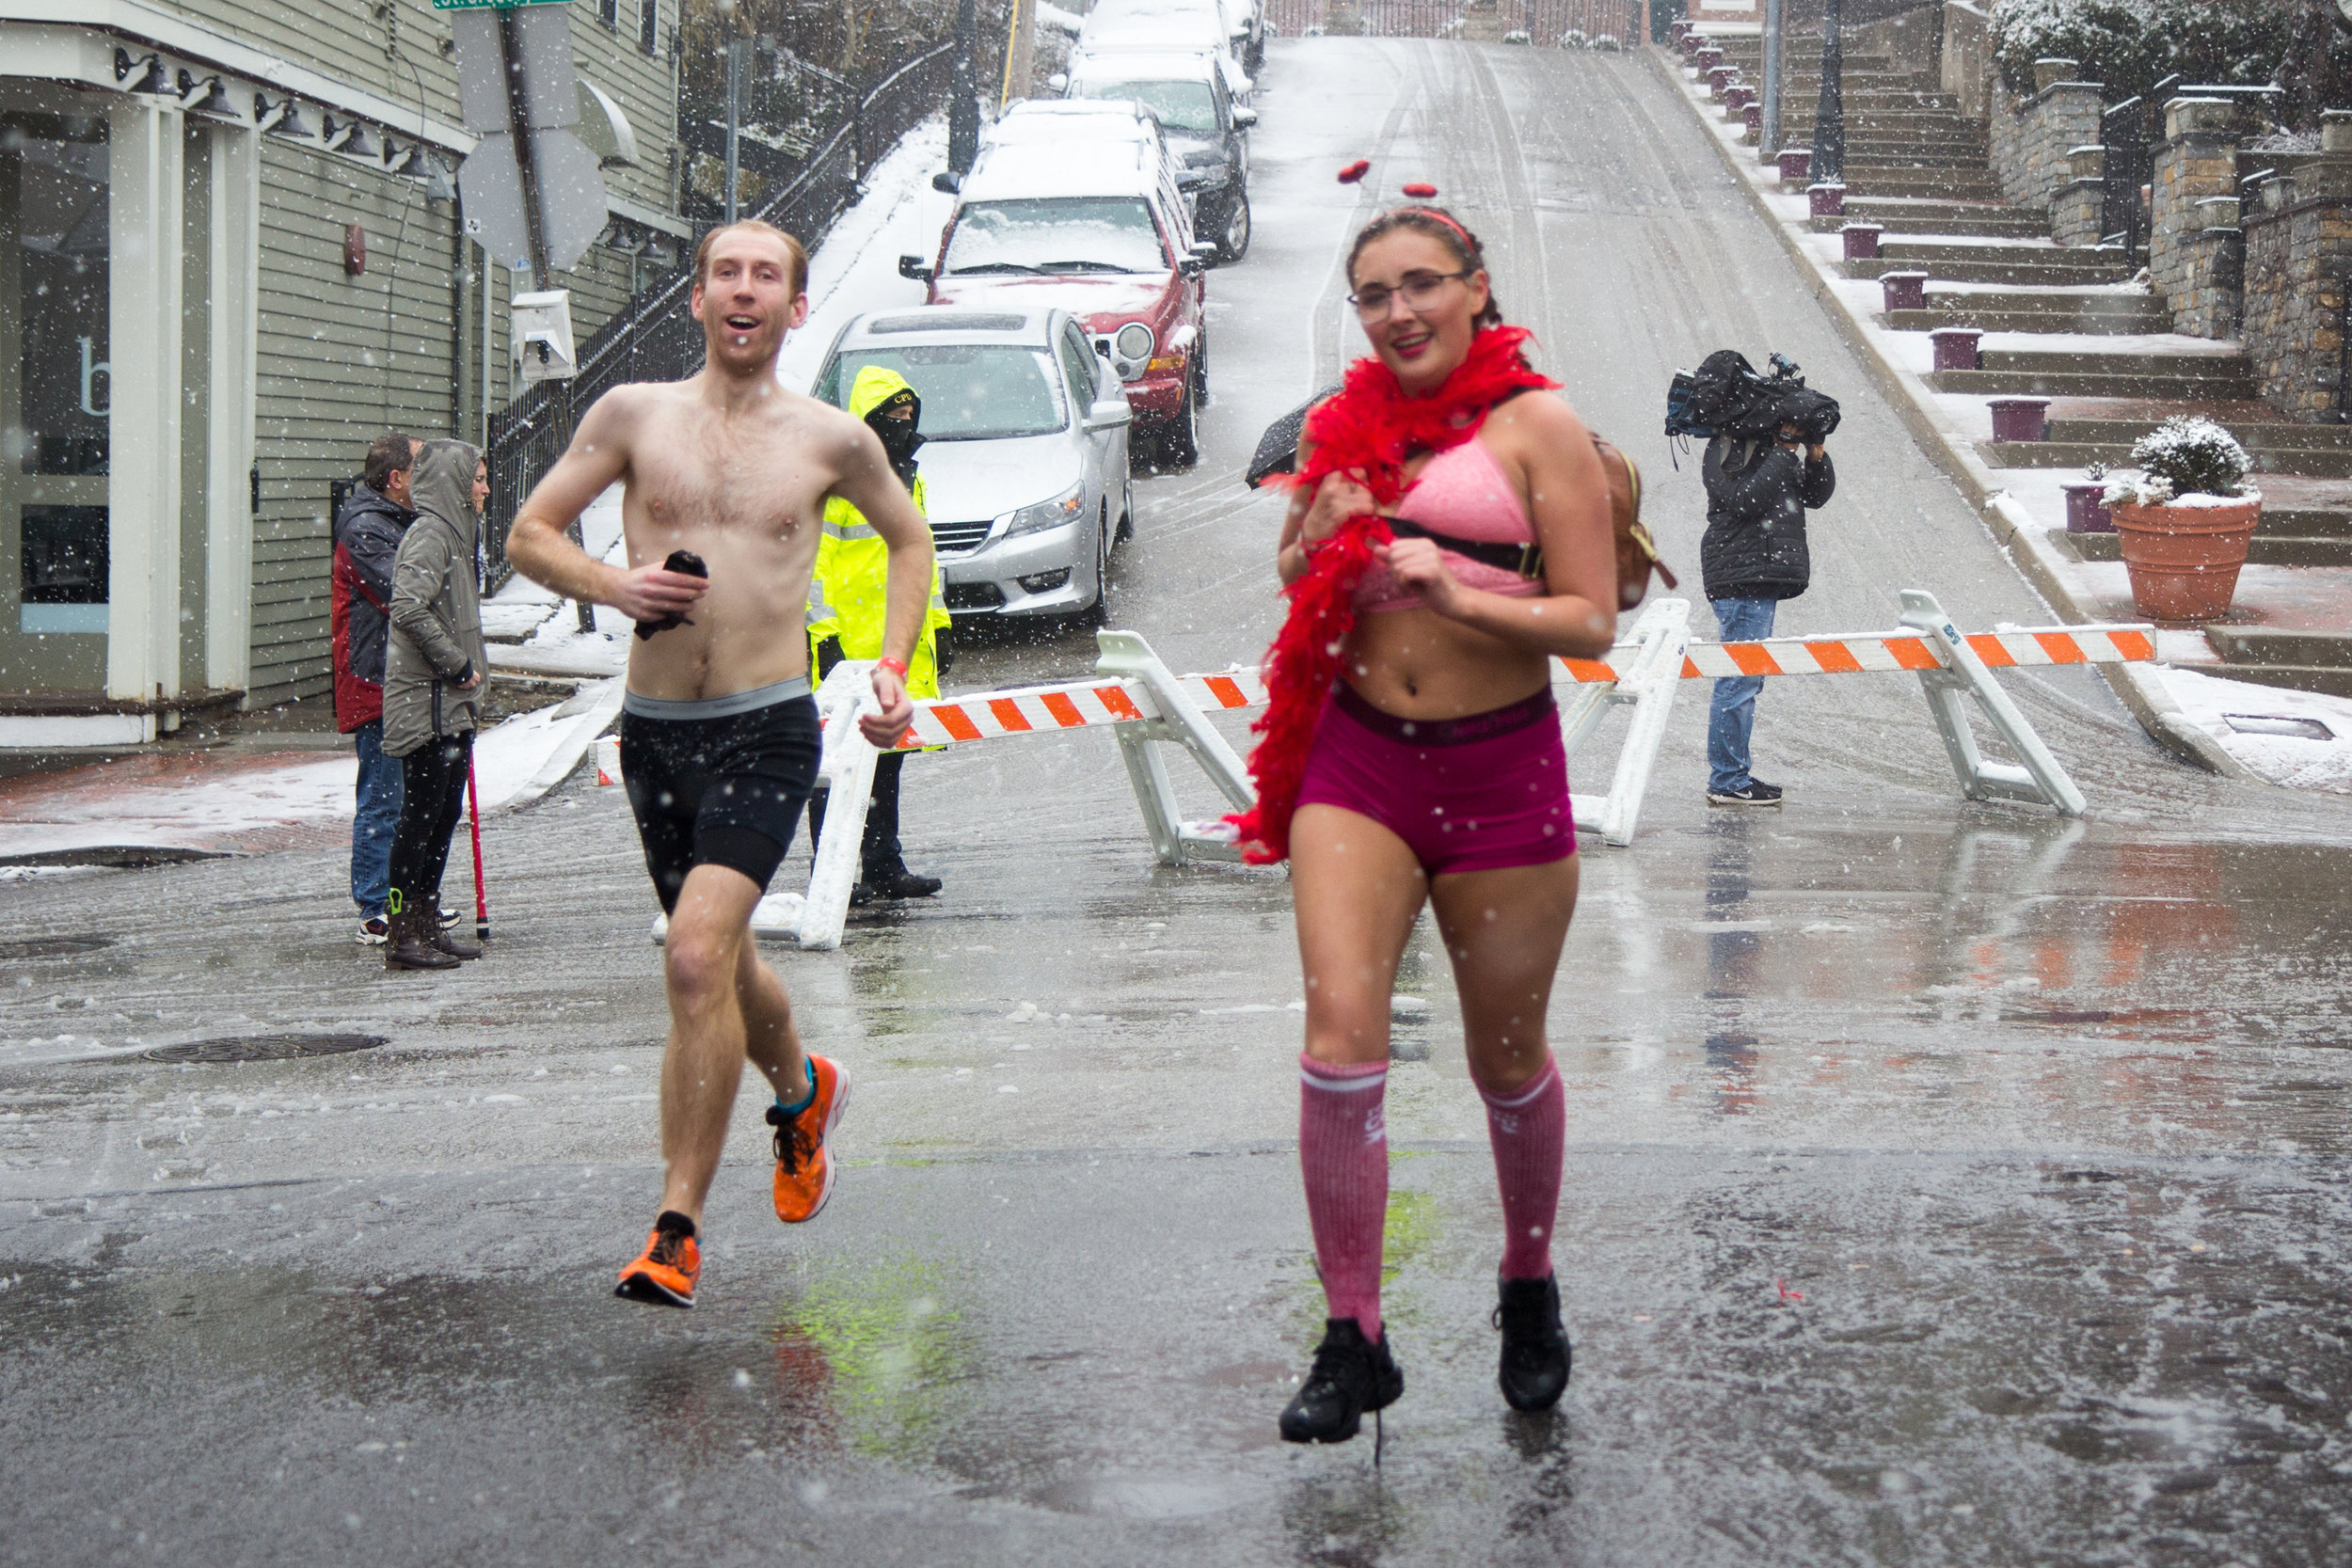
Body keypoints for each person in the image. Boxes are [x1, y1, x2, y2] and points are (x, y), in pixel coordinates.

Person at [1233, 193, 1619, 1445]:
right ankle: (1354, 1333)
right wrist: (1315, 539)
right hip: (1359, 762)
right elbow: (1305, 579)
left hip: (1502, 769)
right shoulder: (1347, 430)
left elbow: (1590, 622)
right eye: (1375, 294)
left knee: (1506, 1058)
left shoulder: (1539, 429)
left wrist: (1454, 588)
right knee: (1340, 1033)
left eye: (1421, 283)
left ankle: (1527, 1278)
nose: (1399, 310)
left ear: (1474, 284)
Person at [501, 219, 932, 1310]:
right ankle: (803, 1091)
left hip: (765, 723)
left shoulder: (833, 440)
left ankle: (676, 1225)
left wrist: (890, 668)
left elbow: (907, 541)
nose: (746, 290)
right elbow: (529, 533)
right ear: (697, 299)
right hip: (655, 732)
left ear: (794, 305)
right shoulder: (633, 416)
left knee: (693, 957)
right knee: (726, 965)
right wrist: (616, 585)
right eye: (726, 273)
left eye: (768, 276)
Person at [804, 365, 954, 902]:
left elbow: (924, 565)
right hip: (851, 648)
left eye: (908, 414)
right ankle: (834, 873)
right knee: (835, 764)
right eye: (892, 415)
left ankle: (883, 865)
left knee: (887, 760)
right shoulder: (840, 482)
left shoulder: (909, 478)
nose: (903, 423)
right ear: (869, 422)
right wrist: (823, 635)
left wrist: (939, 628)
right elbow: (811, 566)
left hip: (896, 647)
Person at [381, 441, 492, 972]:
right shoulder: (429, 535)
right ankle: (402, 933)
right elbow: (407, 607)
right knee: (419, 819)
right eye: (478, 479)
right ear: (454, 483)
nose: (485, 489)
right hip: (426, 704)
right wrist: (456, 665)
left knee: (443, 817)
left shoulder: (454, 534)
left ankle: (425, 926)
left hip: (450, 705)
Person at [1699, 404, 1835, 807]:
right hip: (1740, 574)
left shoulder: (1772, 449)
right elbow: (1747, 499)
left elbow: (1815, 496)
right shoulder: (1727, 447)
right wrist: (1783, 447)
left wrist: (1815, 455)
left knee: (1746, 678)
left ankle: (1731, 776)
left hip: (1759, 573)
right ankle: (1726, 780)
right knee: (1738, 680)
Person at [331, 433, 418, 943]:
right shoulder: (366, 528)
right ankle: (373, 905)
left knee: (410, 802)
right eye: (419, 468)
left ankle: (405, 899)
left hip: (399, 679)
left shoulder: (398, 522)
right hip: (375, 679)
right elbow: (405, 590)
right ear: (396, 479)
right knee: (384, 798)